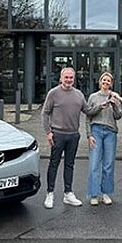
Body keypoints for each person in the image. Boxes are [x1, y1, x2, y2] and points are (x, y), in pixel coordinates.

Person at [41, 66, 87, 209]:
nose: (68, 80)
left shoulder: (79, 94)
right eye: (66, 77)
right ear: (61, 78)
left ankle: (68, 193)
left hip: (73, 135)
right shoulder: (53, 93)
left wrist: (102, 106)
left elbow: (88, 110)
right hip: (58, 135)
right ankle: (50, 193)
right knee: (53, 163)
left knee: (70, 164)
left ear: (74, 78)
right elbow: (45, 113)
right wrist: (48, 132)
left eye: (71, 77)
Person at [84, 72, 122, 206]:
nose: (106, 83)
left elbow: (119, 116)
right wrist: (89, 135)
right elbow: (88, 115)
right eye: (104, 80)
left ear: (111, 83)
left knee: (108, 164)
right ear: (100, 82)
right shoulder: (93, 97)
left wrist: (114, 105)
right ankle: (94, 194)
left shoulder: (114, 96)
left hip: (110, 132)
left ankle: (105, 193)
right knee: (94, 163)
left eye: (108, 81)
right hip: (96, 131)